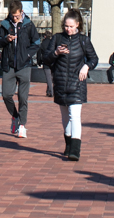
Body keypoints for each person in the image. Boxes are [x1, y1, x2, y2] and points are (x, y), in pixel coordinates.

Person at [38, 9, 98, 161]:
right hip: (60, 83)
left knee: (75, 116)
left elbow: (94, 58)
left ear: (77, 25)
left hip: (77, 84)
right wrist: (56, 53)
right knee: (65, 118)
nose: (68, 29)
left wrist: (87, 66)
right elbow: (45, 59)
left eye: (71, 26)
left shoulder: (84, 40)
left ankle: (75, 150)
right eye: (66, 26)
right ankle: (68, 144)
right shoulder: (57, 38)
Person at [0, 2, 40, 138]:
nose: (15, 18)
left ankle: (22, 125)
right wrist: (5, 39)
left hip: (24, 66)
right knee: (6, 95)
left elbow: (37, 43)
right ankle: (15, 116)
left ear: (21, 12)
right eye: (12, 16)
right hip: (8, 66)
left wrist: (26, 55)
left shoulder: (28, 25)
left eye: (17, 15)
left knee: (23, 97)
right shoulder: (5, 25)